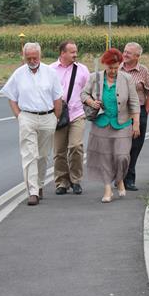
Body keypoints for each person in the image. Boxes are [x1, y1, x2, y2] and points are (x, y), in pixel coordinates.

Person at [0, 42, 63, 206]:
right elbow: (11, 97)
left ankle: (40, 184)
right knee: (29, 155)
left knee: (42, 155)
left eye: (35, 57)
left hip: (48, 117)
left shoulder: (50, 73)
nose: (32, 60)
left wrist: (56, 117)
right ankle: (33, 191)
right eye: (29, 58)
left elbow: (58, 97)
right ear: (24, 57)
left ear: (40, 56)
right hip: (27, 117)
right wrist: (19, 116)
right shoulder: (19, 74)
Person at [81, 48, 140, 203]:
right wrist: (92, 102)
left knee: (122, 157)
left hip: (122, 124)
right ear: (104, 65)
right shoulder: (95, 78)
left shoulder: (127, 79)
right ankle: (108, 188)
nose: (113, 71)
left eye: (116, 67)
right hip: (101, 123)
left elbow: (134, 103)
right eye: (110, 68)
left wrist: (136, 124)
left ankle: (119, 179)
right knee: (105, 158)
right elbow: (83, 94)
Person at [50, 40, 90, 195]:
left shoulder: (82, 70)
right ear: (62, 53)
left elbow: (89, 90)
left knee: (75, 146)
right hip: (58, 115)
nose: (75, 54)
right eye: (72, 52)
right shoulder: (50, 70)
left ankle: (76, 180)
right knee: (59, 151)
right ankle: (61, 182)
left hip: (77, 114)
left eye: (76, 51)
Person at [119, 42, 149, 191]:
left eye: (129, 53)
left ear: (137, 56)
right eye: (125, 51)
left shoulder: (143, 71)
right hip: (120, 112)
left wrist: (144, 113)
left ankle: (129, 178)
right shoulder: (117, 69)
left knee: (135, 146)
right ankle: (118, 175)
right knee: (119, 146)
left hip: (138, 112)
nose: (125, 54)